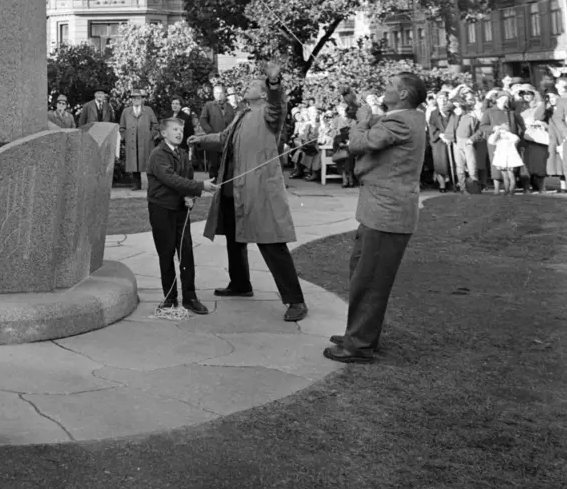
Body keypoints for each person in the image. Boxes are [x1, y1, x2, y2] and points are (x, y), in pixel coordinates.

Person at [191, 61, 308, 322]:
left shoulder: (270, 111)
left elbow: (278, 102)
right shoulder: (242, 114)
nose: (246, 85)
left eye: (253, 84)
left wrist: (274, 82)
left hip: (261, 191)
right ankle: (241, 284)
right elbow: (223, 138)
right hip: (235, 189)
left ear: (264, 93)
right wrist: (200, 140)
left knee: (272, 243)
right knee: (235, 238)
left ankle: (296, 300)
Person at [324, 73, 428, 364]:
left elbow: (359, 143)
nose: (385, 87)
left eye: (391, 85)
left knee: (369, 280)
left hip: (386, 214)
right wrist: (357, 107)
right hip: (381, 212)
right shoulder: (405, 117)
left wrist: (359, 120)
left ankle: (358, 346)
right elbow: (377, 125)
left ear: (404, 94)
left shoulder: (400, 121)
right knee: (363, 275)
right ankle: (359, 334)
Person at [147, 116, 216, 315]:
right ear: (163, 133)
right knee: (166, 253)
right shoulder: (158, 155)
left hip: (180, 211)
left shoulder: (183, 154)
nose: (179, 133)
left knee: (186, 253)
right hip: (162, 210)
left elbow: (187, 177)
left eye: (181, 129)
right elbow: (171, 179)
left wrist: (191, 196)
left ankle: (190, 297)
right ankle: (170, 297)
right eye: (175, 129)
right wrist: (200, 187)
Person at [482, 92, 524, 194]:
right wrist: (494, 128)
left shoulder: (510, 112)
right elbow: (483, 126)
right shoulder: (489, 111)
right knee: (497, 165)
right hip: (496, 142)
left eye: (507, 99)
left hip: (510, 143)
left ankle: (509, 190)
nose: (505, 101)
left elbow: (519, 126)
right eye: (502, 98)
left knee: (510, 167)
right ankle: (496, 189)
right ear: (497, 100)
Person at [119, 90, 158, 193]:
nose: (136, 100)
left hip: (146, 142)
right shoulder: (126, 111)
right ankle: (137, 184)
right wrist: (125, 137)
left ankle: (152, 184)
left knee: (148, 163)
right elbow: (122, 127)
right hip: (131, 142)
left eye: (138, 98)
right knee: (134, 162)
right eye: (134, 98)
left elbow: (155, 125)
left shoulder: (148, 110)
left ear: (142, 99)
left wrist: (151, 136)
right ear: (131, 99)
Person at [443, 94, 483, 192]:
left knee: (472, 167)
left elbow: (480, 130)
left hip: (468, 142)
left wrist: (472, 139)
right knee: (459, 167)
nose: (457, 109)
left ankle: (474, 189)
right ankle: (463, 188)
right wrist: (453, 104)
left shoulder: (473, 116)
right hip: (456, 142)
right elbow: (445, 109)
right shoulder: (454, 115)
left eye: (459, 107)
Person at [198, 84, 235, 181]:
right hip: (213, 140)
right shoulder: (209, 105)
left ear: (225, 94)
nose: (219, 95)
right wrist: (210, 133)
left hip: (227, 140)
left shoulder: (230, 107)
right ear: (214, 94)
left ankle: (225, 184)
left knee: (227, 164)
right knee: (213, 164)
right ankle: (213, 184)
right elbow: (202, 120)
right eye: (216, 93)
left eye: (221, 93)